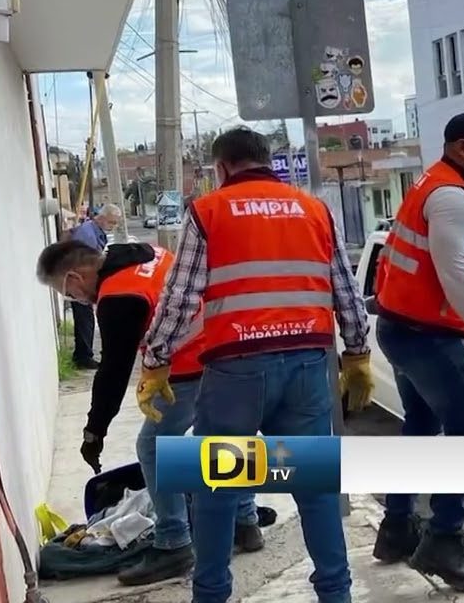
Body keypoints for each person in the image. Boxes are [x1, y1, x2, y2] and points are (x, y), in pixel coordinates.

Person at [138, 126, 375, 603]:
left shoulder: (208, 211)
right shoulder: (314, 210)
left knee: (218, 490)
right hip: (308, 366)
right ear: (268, 160)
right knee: (316, 488)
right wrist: (357, 353)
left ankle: (211, 595)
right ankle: (337, 594)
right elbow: (346, 289)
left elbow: (180, 296)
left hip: (236, 372)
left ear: (222, 167)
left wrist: (156, 359)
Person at [35, 239, 264, 585]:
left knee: (153, 447)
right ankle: (246, 522)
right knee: (225, 435)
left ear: (74, 277)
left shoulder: (118, 297)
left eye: (69, 294)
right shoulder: (145, 252)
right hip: (228, 347)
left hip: (190, 363)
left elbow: (113, 372)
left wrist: (95, 431)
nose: (77, 300)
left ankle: (173, 543)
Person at [370, 111, 464, 593]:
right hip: (426, 334)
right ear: (460, 147)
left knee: (422, 423)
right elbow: (454, 274)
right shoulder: (452, 196)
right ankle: (444, 540)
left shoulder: (433, 184)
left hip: (401, 326)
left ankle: (396, 528)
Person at [66, 203, 123, 369]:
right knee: (85, 318)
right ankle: (83, 357)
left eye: (115, 223)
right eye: (111, 222)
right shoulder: (88, 235)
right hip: (79, 281)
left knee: (86, 318)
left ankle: (83, 354)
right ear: (102, 218)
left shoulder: (92, 230)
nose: (113, 226)